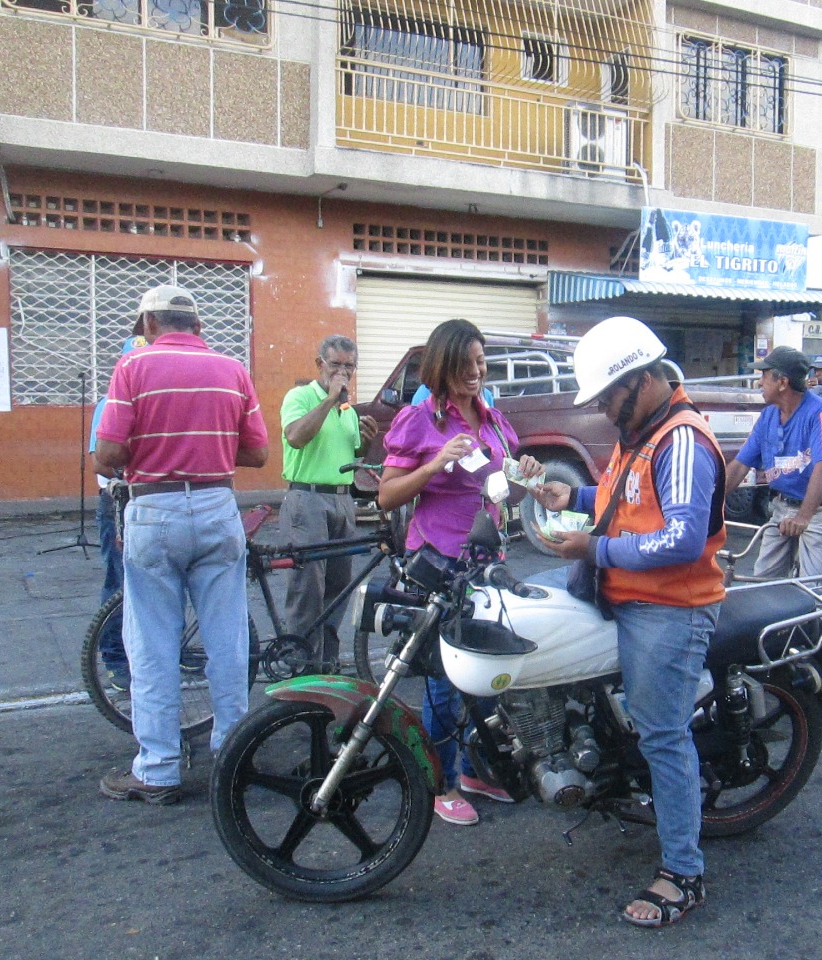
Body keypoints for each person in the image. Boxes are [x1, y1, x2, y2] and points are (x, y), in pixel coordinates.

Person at [531, 315, 725, 928]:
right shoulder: (640, 432)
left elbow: (682, 539)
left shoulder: (681, 440)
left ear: (639, 380)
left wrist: (595, 548)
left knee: (663, 734)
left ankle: (684, 874)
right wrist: (574, 499)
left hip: (669, 605)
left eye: (606, 397)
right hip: (626, 589)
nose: (602, 409)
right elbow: (628, 500)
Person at [94, 285, 269, 805]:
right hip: (217, 505)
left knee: (152, 645)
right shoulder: (232, 370)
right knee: (228, 641)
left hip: (155, 508)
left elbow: (107, 455)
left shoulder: (133, 367)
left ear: (149, 324)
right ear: (197, 326)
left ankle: (158, 769)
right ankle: (234, 754)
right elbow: (257, 453)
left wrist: (152, 446)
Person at [377, 318, 544, 826]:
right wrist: (434, 465)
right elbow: (387, 495)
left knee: (487, 674)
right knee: (445, 681)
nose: (476, 371)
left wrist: (525, 475)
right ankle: (439, 782)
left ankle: (475, 770)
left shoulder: (493, 420)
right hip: (439, 564)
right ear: (442, 366)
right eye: (465, 363)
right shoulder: (419, 420)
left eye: (481, 361)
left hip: (486, 564)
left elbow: (505, 488)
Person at [279, 335, 379, 664]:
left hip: (342, 499)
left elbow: (350, 456)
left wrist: (365, 442)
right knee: (307, 588)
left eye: (349, 367)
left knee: (339, 586)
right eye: (335, 365)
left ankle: (328, 663)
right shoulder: (300, 396)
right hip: (307, 498)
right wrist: (329, 399)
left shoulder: (347, 409)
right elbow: (295, 437)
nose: (342, 372)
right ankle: (302, 666)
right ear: (319, 364)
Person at [724, 346, 822, 578]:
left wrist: (803, 517)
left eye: (764, 376)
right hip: (783, 507)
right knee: (762, 582)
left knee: (812, 587)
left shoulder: (820, 412)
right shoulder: (768, 415)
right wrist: (709, 506)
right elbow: (740, 465)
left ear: (782, 382)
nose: (759, 383)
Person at [88, 328, 147, 691]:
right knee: (119, 582)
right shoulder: (109, 404)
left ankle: (170, 649)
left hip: (147, 499)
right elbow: (100, 461)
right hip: (117, 502)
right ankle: (114, 658)